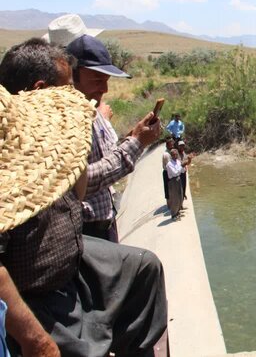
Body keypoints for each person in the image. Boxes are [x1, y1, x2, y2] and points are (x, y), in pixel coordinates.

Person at [0, 84, 167, 357]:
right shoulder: (15, 172)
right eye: (68, 82)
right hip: (39, 288)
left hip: (72, 259)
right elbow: (89, 182)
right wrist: (36, 340)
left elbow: (78, 190)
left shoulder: (45, 141)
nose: (104, 88)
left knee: (144, 266)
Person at [67, 35, 161, 242]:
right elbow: (82, 182)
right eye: (98, 79)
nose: (105, 89)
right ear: (72, 75)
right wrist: (136, 143)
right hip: (85, 233)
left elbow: (104, 159)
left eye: (107, 80)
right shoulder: (65, 121)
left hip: (104, 224)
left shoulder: (93, 109)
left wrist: (133, 136)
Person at [166, 149, 193, 219]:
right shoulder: (169, 164)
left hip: (178, 179)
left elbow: (182, 170)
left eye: (176, 154)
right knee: (175, 198)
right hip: (173, 181)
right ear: (171, 156)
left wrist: (185, 164)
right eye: (174, 155)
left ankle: (178, 211)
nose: (175, 156)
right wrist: (182, 166)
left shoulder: (178, 161)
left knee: (180, 196)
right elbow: (175, 173)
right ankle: (174, 214)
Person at [162, 137, 175, 206]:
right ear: (167, 145)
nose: (172, 145)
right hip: (167, 172)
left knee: (171, 188)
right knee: (167, 188)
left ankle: (171, 203)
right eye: (171, 144)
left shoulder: (171, 152)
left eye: (172, 144)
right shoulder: (166, 154)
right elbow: (169, 166)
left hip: (170, 172)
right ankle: (169, 204)